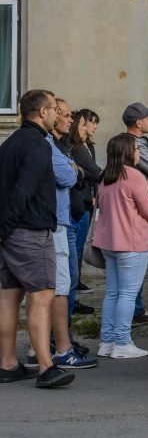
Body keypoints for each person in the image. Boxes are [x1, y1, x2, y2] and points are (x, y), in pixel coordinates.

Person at [0, 89, 75, 387]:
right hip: (29, 230)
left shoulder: (9, 144)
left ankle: (7, 363)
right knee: (42, 295)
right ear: (42, 111)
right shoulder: (38, 145)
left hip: (10, 231)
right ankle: (46, 366)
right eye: (55, 108)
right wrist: (6, 228)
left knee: (9, 297)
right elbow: (23, 190)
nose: (58, 113)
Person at [94, 134, 148, 359]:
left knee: (112, 293)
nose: (138, 151)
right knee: (128, 295)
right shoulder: (134, 176)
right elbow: (147, 208)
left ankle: (107, 341)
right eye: (135, 148)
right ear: (128, 152)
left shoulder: (104, 177)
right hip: (131, 241)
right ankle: (122, 342)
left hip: (108, 241)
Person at [46, 98, 95, 370]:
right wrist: (76, 170)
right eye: (63, 114)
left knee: (68, 281)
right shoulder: (50, 146)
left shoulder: (61, 146)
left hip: (67, 218)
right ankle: (57, 344)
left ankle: (59, 340)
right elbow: (68, 177)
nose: (70, 120)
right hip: (57, 223)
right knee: (59, 286)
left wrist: (75, 171)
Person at [122, 101, 148, 328]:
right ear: (138, 123)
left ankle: (132, 310)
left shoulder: (126, 142)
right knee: (137, 266)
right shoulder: (136, 145)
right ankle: (135, 312)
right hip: (141, 211)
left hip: (130, 212)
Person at [65, 108, 101, 303]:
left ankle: (75, 287)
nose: (94, 126)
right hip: (80, 203)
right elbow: (94, 173)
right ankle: (73, 294)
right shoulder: (77, 148)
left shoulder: (88, 146)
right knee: (76, 250)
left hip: (88, 200)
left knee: (76, 250)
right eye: (91, 122)